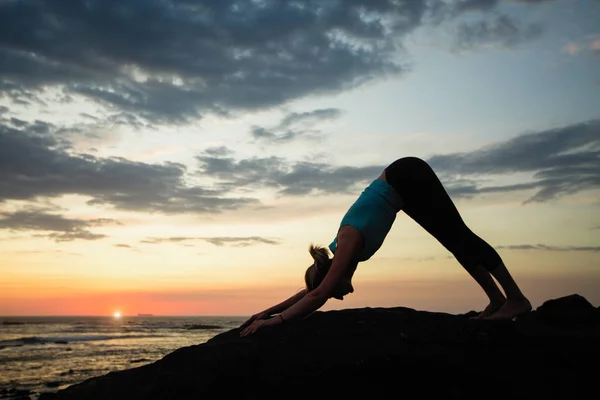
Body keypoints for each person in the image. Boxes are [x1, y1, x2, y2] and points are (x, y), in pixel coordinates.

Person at [239, 156, 532, 337]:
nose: (338, 297)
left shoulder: (348, 243)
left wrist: (274, 323)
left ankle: (516, 299)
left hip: (405, 176)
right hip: (402, 191)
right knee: (456, 242)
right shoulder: (342, 257)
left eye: (334, 292)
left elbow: (318, 293)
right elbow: (312, 291)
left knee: (462, 237)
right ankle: (496, 300)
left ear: (331, 276)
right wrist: (264, 313)